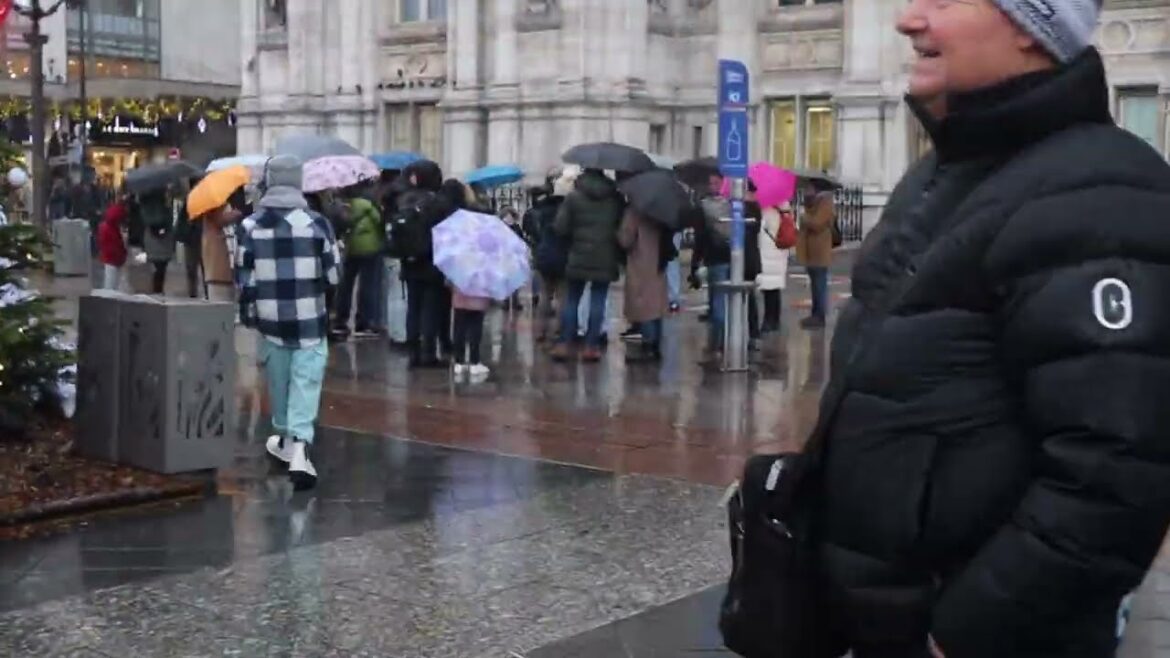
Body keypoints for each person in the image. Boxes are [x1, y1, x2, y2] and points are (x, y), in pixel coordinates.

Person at [809, 1, 1170, 657]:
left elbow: (1114, 474)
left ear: (1034, 28)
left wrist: (963, 635)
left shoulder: (1105, 192)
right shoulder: (939, 176)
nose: (908, 18)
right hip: (887, 616)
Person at [237, 154, 340, 491]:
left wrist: (250, 315)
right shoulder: (317, 224)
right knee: (305, 380)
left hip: (270, 319)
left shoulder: (250, 226)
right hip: (309, 316)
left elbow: (244, 278)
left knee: (278, 380)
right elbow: (333, 275)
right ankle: (299, 447)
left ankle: (284, 437)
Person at [550, 168, 624, 363]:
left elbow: (560, 227)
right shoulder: (614, 198)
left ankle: (565, 343)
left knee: (572, 299)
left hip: (578, 254)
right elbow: (621, 226)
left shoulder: (573, 197)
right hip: (606, 255)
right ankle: (591, 346)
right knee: (598, 300)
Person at [393, 160, 454, 368]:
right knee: (430, 309)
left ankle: (413, 351)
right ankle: (428, 353)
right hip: (432, 262)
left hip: (410, 262)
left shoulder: (404, 200)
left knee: (413, 307)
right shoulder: (438, 203)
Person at [616, 206, 669, 362]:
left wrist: (618, 233)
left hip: (640, 261)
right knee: (656, 305)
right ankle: (656, 345)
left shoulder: (635, 211)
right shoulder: (663, 211)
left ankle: (648, 345)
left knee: (644, 305)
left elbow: (625, 240)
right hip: (659, 261)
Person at [334, 182, 385, 338]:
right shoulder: (369, 205)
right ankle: (364, 323)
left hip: (350, 248)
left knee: (345, 285)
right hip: (371, 248)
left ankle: (340, 321)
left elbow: (339, 225)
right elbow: (379, 221)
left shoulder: (343, 205)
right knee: (368, 286)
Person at [529, 167, 572, 343]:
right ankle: (558, 332)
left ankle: (540, 331)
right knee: (563, 297)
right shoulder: (569, 209)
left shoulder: (544, 208)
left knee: (545, 295)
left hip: (545, 254)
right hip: (564, 256)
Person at [795, 183, 835, 329]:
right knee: (815, 285)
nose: (806, 190)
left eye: (809, 188)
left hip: (820, 251)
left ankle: (820, 316)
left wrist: (804, 217)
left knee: (819, 285)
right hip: (811, 251)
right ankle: (815, 314)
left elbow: (818, 223)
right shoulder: (812, 202)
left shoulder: (826, 202)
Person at [757, 201, 792, 333]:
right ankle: (775, 319)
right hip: (779, 250)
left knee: (769, 288)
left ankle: (769, 320)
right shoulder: (784, 206)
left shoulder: (767, 209)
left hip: (769, 251)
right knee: (775, 288)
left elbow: (763, 229)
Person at [198, 203, 242, 304]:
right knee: (220, 303)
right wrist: (235, 214)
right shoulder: (213, 205)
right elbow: (220, 219)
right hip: (217, 268)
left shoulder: (216, 204)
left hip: (220, 268)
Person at [135, 187, 176, 295]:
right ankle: (158, 290)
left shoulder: (144, 201)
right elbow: (167, 219)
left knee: (156, 267)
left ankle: (155, 290)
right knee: (161, 267)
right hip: (162, 238)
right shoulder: (162, 203)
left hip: (150, 237)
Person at [96, 195, 129, 291]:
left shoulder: (107, 226)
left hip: (110, 258)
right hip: (113, 259)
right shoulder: (112, 228)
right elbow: (116, 246)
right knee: (112, 283)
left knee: (111, 282)